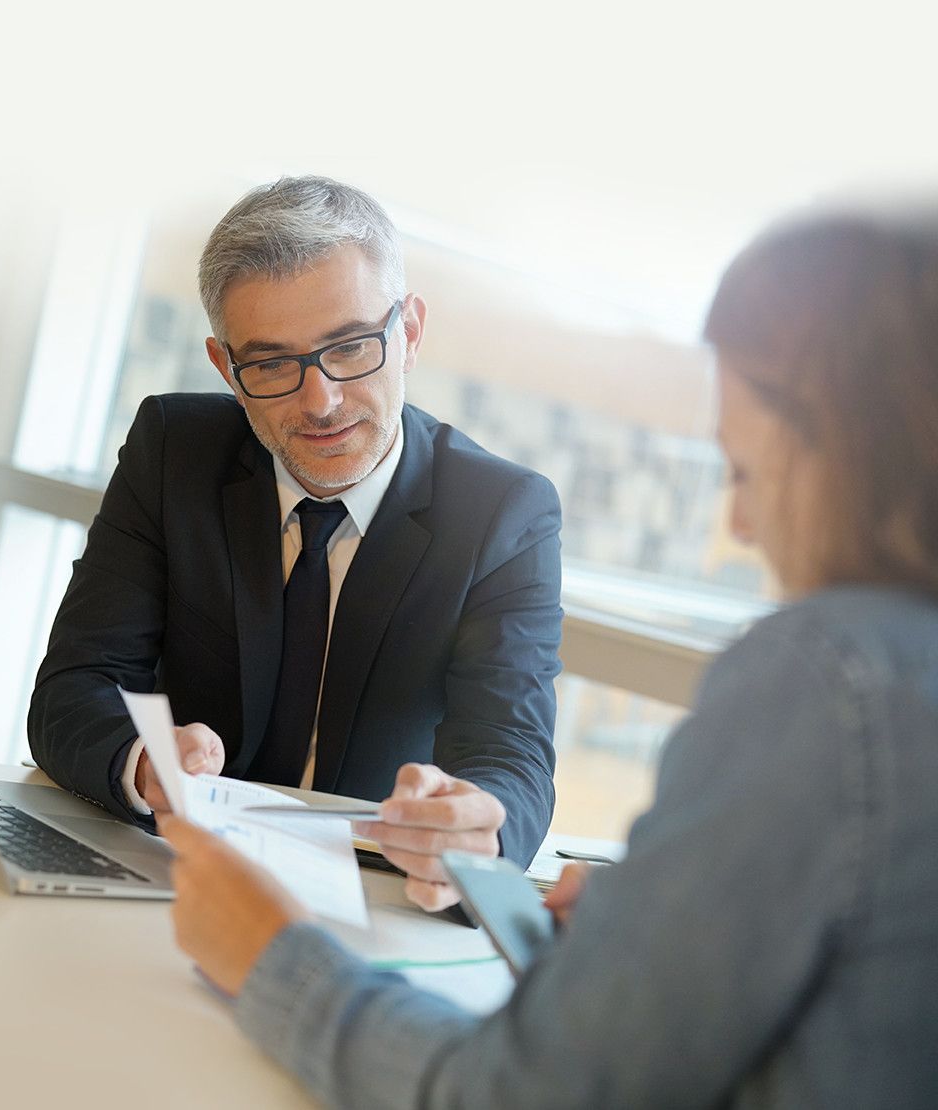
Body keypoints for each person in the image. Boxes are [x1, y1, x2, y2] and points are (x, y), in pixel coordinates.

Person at [162, 205, 938, 1107]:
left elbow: (518, 1094)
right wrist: (651, 918)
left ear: (846, 451)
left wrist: (271, 959)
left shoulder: (823, 681)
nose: (742, 524)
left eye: (746, 473)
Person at [29, 176, 563, 905]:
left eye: (349, 349)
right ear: (226, 368)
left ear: (407, 333)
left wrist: (479, 834)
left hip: (371, 899)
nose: (321, 401)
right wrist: (143, 765)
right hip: (170, 876)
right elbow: (73, 689)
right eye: (273, 364)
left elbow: (510, 752)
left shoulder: (502, 512)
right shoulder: (174, 452)